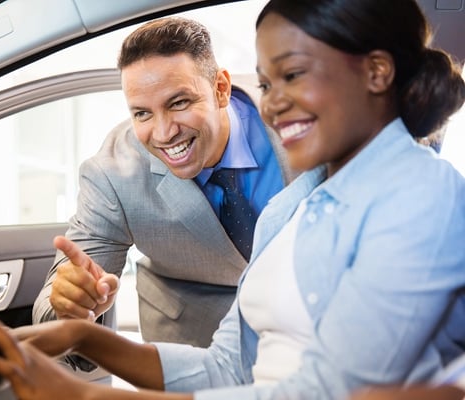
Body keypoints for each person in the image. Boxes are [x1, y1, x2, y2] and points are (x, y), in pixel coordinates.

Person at [0, 0, 465, 398]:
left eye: (294, 76)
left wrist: (90, 397)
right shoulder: (290, 209)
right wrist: (83, 332)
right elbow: (230, 366)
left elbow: (335, 389)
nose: (273, 103)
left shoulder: (427, 196)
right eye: (269, 83)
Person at [33, 16, 296, 349]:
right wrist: (71, 304)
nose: (163, 133)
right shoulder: (112, 175)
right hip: (197, 341)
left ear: (220, 89)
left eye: (179, 103)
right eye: (142, 113)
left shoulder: (297, 108)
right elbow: (55, 303)